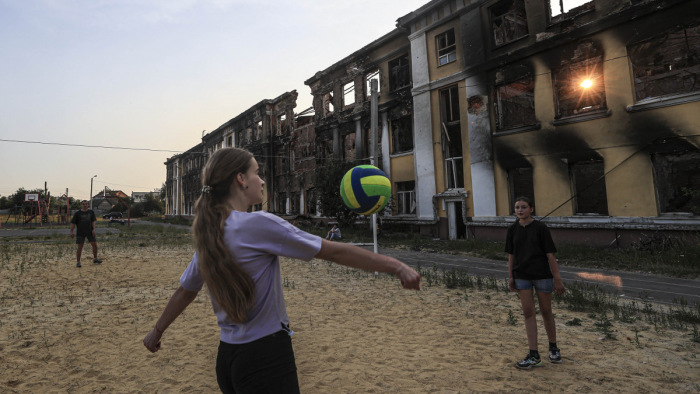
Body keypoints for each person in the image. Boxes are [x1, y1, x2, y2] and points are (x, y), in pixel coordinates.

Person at [142, 147, 420, 393]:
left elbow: (186, 291)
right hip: (266, 357)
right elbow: (332, 251)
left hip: (228, 360)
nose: (261, 180)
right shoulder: (258, 224)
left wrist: (157, 331)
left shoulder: (210, 233)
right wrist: (396, 266)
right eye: (256, 172)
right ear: (240, 179)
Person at [505, 196, 565, 370]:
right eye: (517, 207)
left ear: (531, 209)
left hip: (542, 276)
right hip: (521, 276)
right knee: (528, 313)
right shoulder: (512, 230)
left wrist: (557, 279)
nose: (520, 210)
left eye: (523, 207)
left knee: (546, 311)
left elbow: (550, 255)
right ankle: (534, 354)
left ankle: (553, 347)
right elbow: (511, 255)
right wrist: (511, 276)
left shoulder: (540, 228)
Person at [70, 200, 102, 268]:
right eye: (83, 204)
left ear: (88, 205)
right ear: (81, 205)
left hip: (90, 231)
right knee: (80, 247)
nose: (85, 205)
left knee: (94, 245)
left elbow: (93, 221)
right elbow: (73, 223)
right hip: (80, 232)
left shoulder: (91, 212)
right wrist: (71, 231)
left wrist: (93, 229)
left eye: (86, 204)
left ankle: (95, 258)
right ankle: (78, 262)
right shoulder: (77, 213)